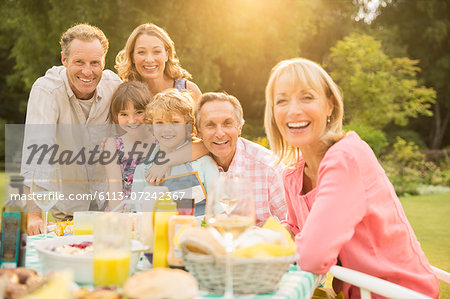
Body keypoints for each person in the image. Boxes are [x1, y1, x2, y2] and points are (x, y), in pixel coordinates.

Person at [264, 57, 439, 298]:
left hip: (396, 293)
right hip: (354, 292)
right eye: (281, 100)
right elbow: (295, 230)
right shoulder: (292, 175)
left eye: (307, 97)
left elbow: (312, 257)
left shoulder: (346, 158)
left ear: (330, 106)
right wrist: (261, 237)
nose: (293, 110)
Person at [21, 24, 122, 235]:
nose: (88, 71)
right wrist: (34, 215)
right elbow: (38, 155)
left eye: (95, 63)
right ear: (64, 60)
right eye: (79, 62)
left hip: (107, 209)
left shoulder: (114, 86)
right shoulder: (47, 91)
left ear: (104, 61)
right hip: (66, 210)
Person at [195, 92, 286, 226]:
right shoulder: (192, 166)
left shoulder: (269, 168)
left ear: (239, 128)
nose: (220, 133)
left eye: (227, 123)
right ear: (198, 132)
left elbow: (295, 225)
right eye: (210, 125)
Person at [132, 89, 219, 216]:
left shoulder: (203, 163)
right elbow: (138, 212)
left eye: (175, 122)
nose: (167, 129)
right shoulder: (143, 168)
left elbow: (218, 207)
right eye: (159, 123)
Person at [115, 23, 202, 101]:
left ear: (167, 55)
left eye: (156, 51)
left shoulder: (189, 91)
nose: (149, 59)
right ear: (132, 57)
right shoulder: (124, 95)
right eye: (141, 52)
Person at [104, 81, 155, 211]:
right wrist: (118, 222)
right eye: (124, 114)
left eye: (139, 112)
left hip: (156, 210)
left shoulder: (161, 140)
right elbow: (115, 191)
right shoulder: (113, 145)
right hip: (125, 213)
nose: (132, 120)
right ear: (116, 116)